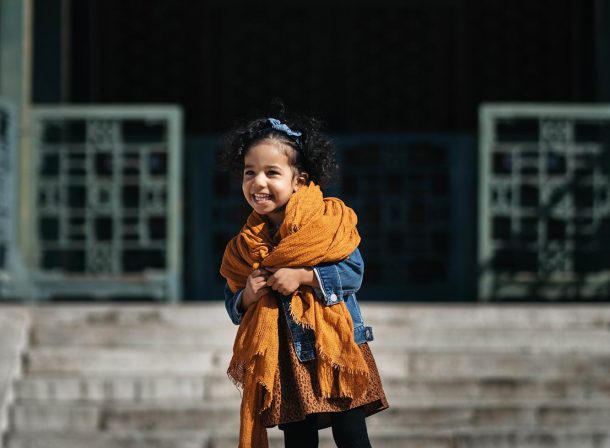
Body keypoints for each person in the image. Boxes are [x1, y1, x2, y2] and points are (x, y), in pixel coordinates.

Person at [219, 114, 388, 448]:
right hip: (285, 356)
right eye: (249, 173)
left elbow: (353, 273)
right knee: (298, 439)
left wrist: (304, 276)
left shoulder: (327, 221)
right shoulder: (247, 242)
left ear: (299, 179)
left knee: (351, 435)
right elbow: (233, 297)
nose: (258, 182)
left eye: (272, 173)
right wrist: (246, 297)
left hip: (337, 349)